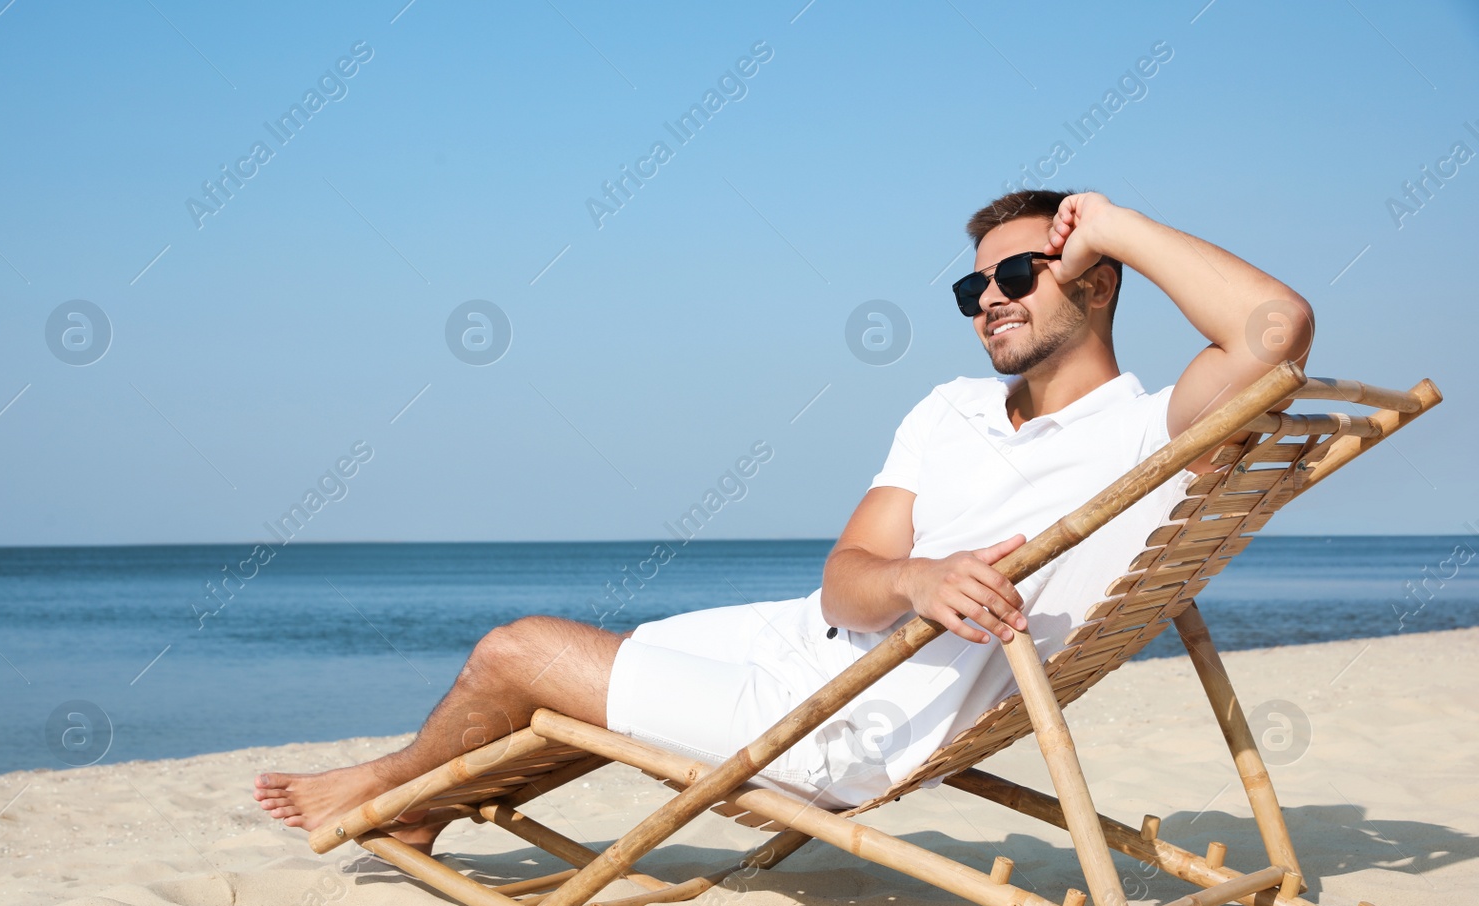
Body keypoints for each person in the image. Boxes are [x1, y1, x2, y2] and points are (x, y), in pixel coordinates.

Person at [255, 189, 1312, 850]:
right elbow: (846, 572)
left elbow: (1278, 326)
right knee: (571, 690)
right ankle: (433, 800)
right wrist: (914, 578)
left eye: (1020, 271)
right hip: (806, 645)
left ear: (1097, 281)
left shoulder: (1150, 436)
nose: (988, 296)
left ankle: (391, 785)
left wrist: (1115, 219)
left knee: (516, 650)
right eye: (972, 282)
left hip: (848, 724)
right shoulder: (946, 410)